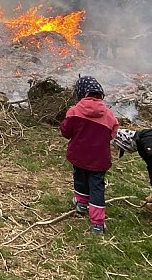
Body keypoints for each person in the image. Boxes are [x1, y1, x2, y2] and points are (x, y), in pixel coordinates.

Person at [59, 76, 119, 235]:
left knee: (79, 178)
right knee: (97, 187)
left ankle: (81, 204)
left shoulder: (74, 111)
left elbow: (66, 132)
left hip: (78, 156)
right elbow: (113, 133)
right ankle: (98, 223)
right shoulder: (109, 115)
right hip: (99, 160)